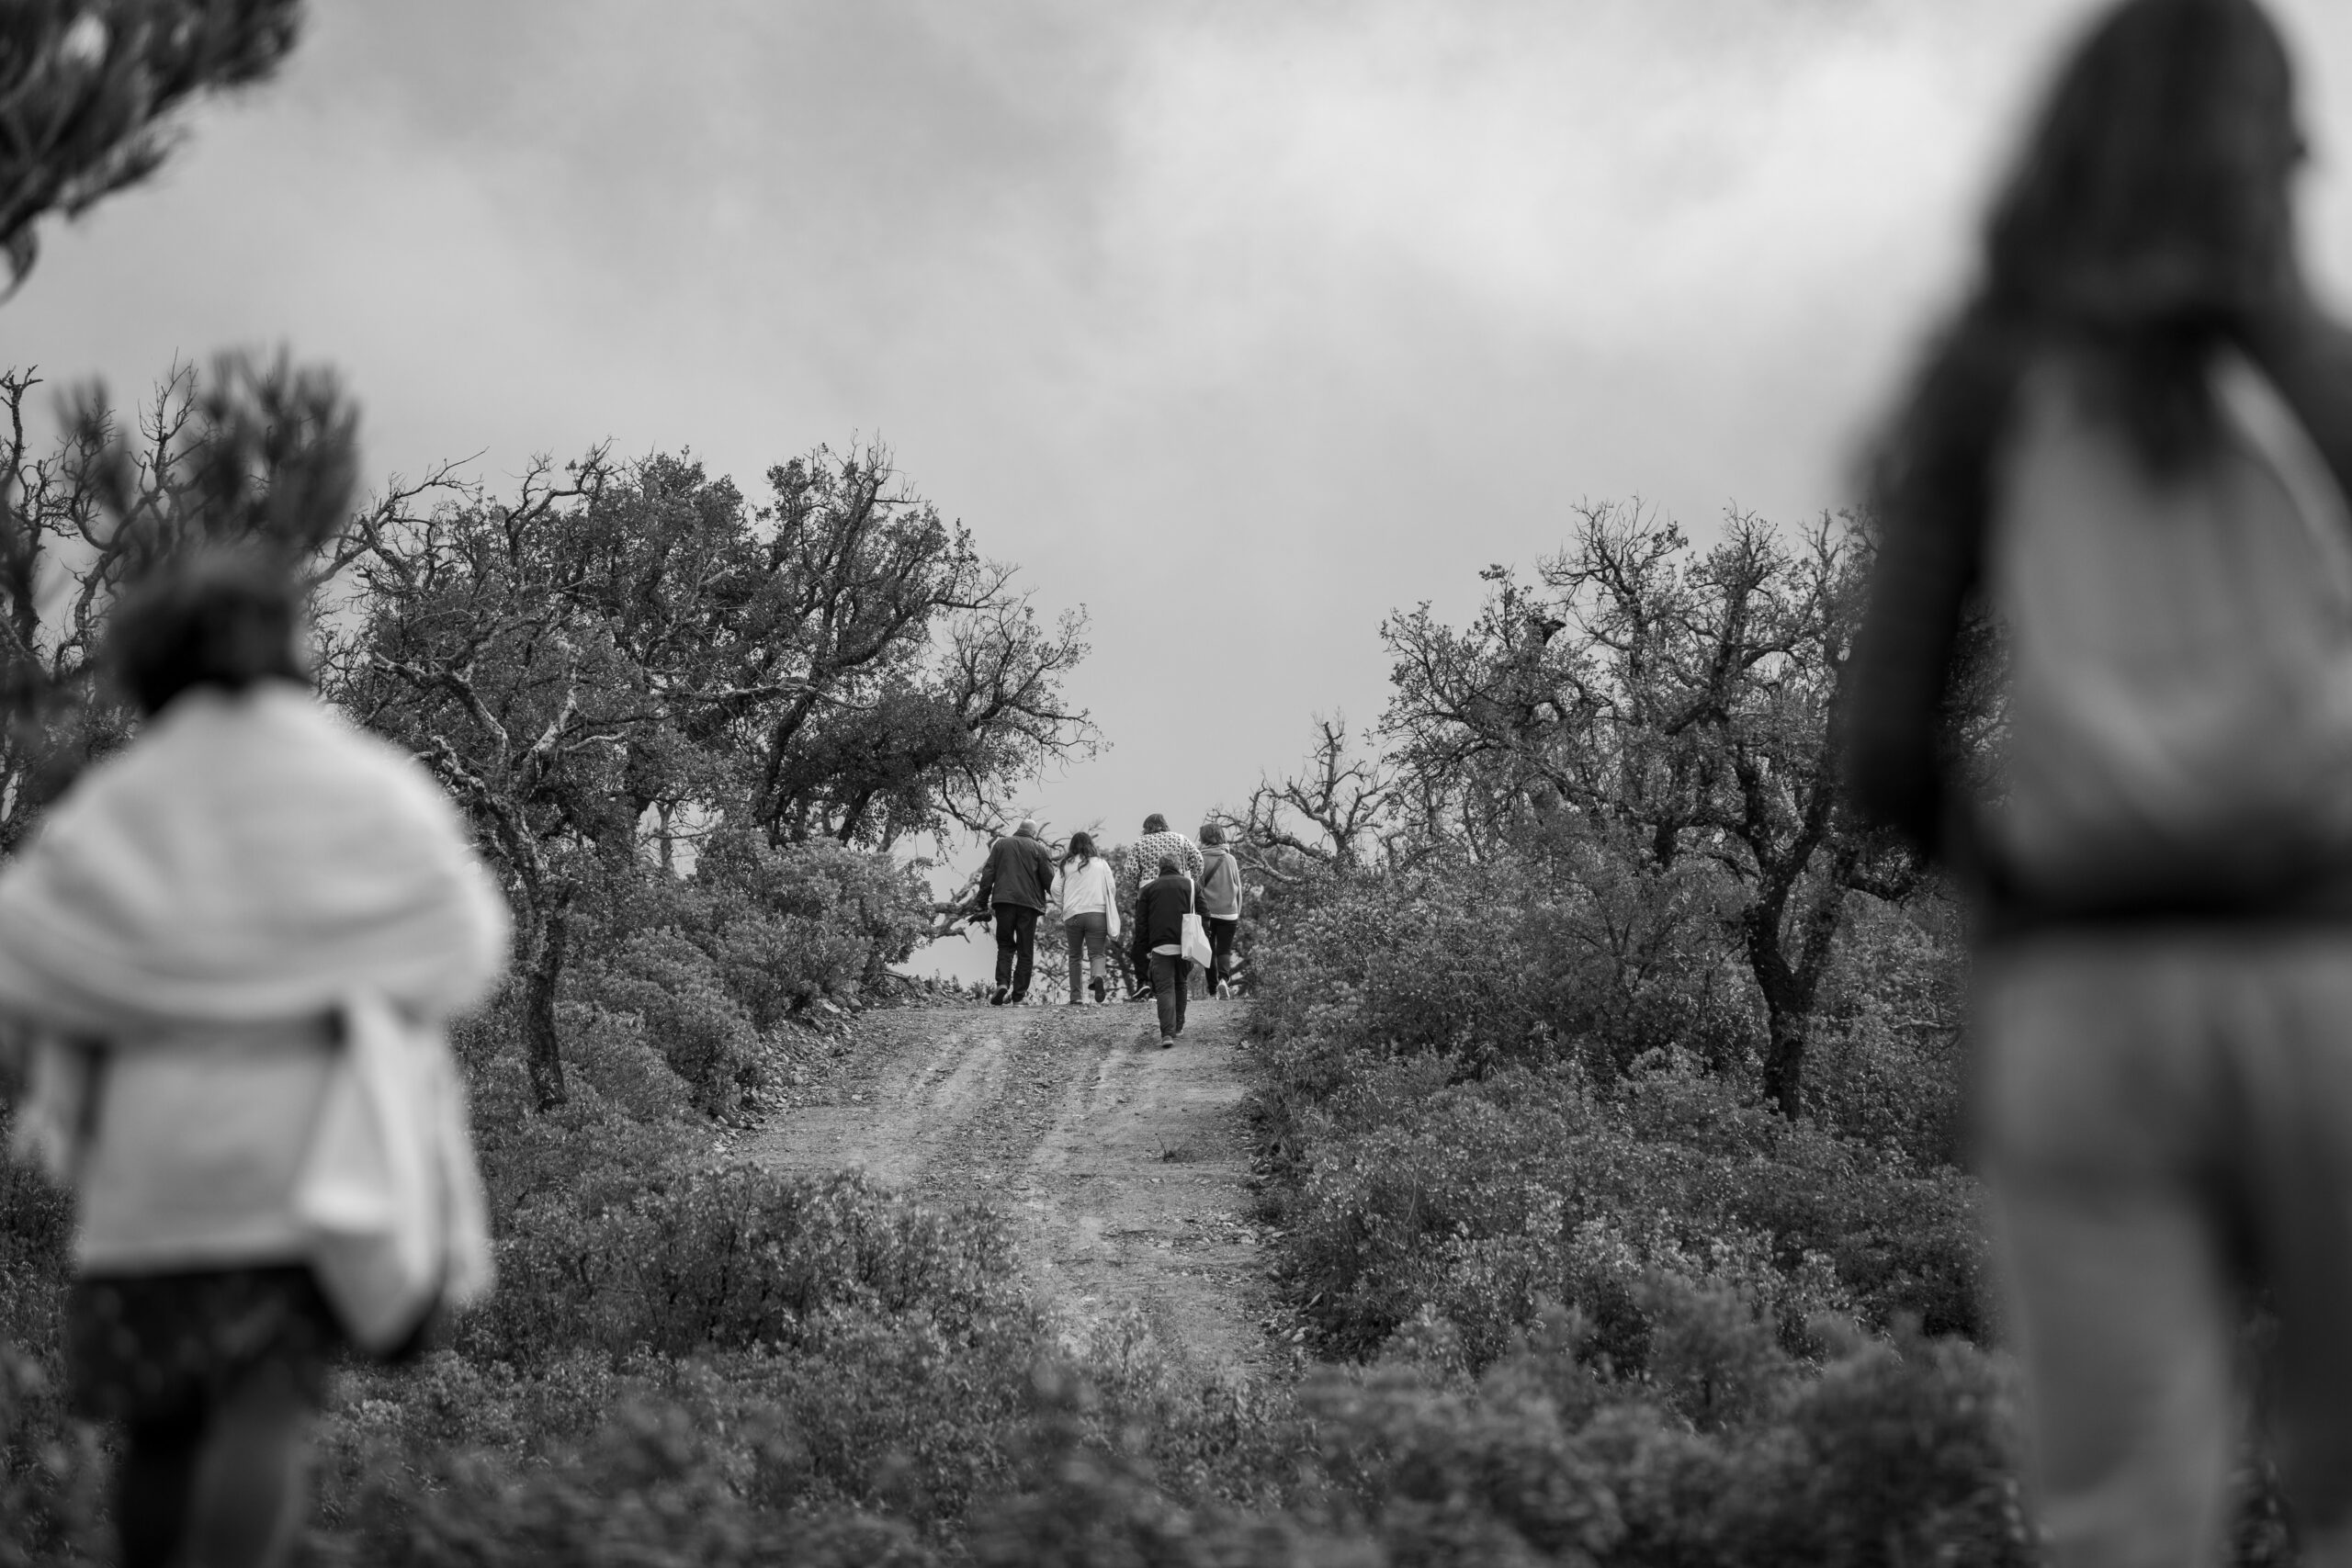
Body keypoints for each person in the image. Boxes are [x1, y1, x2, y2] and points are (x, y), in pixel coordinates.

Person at [1845, 4, 2352, 1562]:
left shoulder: (1991, 381)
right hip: (2327, 966)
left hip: (2085, 992)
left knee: (2125, 1515)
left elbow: (1880, 744)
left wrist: (2013, 885)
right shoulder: (2315, 375)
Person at [0, 550, 509, 1568]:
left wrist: (153, 998)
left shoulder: (124, 799)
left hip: (150, 1169)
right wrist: (323, 984)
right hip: (305, 1162)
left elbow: (23, 951)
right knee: (262, 1413)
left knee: (161, 1425)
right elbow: (467, 944)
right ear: (286, 647)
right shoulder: (363, 782)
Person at [1130, 853, 1209, 1048]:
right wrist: (1202, 937)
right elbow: (1205, 913)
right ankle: (1179, 1027)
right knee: (1180, 983)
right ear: (1178, 867)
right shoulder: (1191, 885)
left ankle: (1167, 1033)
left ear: (1159, 868)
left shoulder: (1147, 890)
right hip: (1186, 944)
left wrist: (1143, 947)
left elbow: (1140, 923)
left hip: (1160, 945)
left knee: (1165, 988)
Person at [976, 818, 1057, 1005]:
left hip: (1003, 902)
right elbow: (1049, 881)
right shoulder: (1039, 849)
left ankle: (1002, 984)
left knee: (1004, 945)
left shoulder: (1001, 845)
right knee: (1025, 950)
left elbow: (988, 873)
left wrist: (981, 902)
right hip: (1029, 906)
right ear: (1034, 833)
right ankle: (1018, 995)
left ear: (1018, 829)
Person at [1124, 814, 1203, 1001]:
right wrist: (1189, 882)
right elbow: (1198, 862)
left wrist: (1139, 887)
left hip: (1147, 893)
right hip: (1178, 892)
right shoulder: (1181, 839)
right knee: (1175, 936)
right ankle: (1175, 983)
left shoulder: (1139, 844)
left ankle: (1144, 982)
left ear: (1146, 827)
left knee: (1144, 937)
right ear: (1165, 825)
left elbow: (1130, 872)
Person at [1055, 830, 1121, 1004]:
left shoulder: (1066, 864)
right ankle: (1097, 977)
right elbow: (1111, 888)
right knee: (1097, 953)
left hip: (1073, 914)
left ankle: (1076, 997)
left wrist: (1064, 905)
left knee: (1075, 956)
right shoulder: (1101, 864)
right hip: (1096, 913)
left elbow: (1055, 889)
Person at [1196, 823, 1244, 998]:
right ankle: (1224, 980)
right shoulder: (1230, 859)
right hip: (1228, 912)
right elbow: (1238, 887)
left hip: (1207, 913)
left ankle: (1213, 989)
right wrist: (1237, 911)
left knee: (1208, 950)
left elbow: (1197, 888)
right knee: (1224, 949)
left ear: (1203, 838)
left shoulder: (1200, 859)